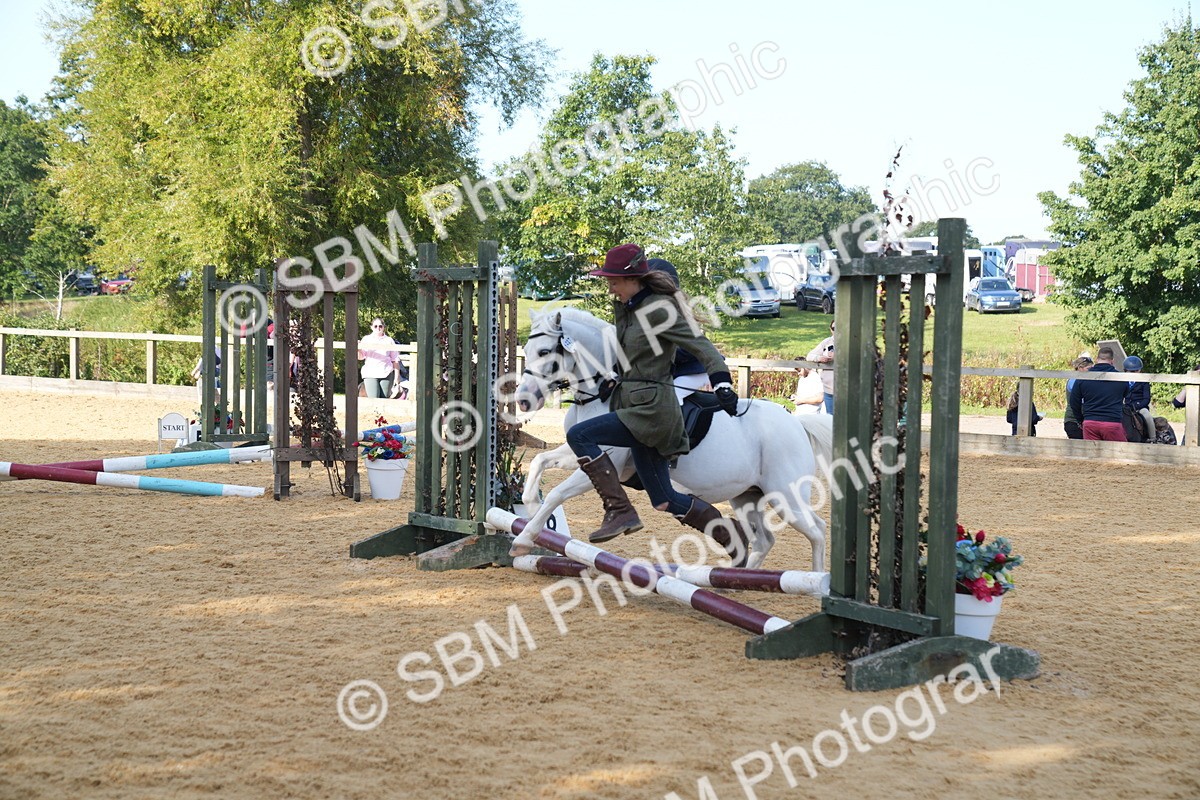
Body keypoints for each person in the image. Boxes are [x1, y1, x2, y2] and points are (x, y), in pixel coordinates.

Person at [557, 243, 749, 564]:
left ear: (633, 279)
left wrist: (722, 382)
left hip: (652, 412)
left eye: (614, 280)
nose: (610, 287)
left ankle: (618, 509)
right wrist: (611, 377)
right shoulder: (629, 309)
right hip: (635, 405)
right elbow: (631, 358)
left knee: (580, 435)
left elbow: (703, 348)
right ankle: (732, 535)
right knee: (665, 500)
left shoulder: (660, 309)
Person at [648, 258, 711, 401]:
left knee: (669, 401)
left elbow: (688, 351)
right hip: (678, 370)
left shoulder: (674, 314)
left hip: (695, 369)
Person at [1068, 346, 1129, 441]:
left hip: (1090, 423)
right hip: (1112, 422)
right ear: (1112, 360)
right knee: (1119, 454)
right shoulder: (1121, 378)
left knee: (1092, 455)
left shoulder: (1083, 378)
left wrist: (1081, 419)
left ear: (1096, 359)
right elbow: (1126, 396)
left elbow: (1074, 402)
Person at [358, 318, 404, 399]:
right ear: (371, 327)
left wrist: (397, 378)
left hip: (386, 372)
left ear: (383, 327)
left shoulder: (389, 340)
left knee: (384, 398)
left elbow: (395, 360)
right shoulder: (366, 339)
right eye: (375, 326)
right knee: (374, 398)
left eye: (380, 326)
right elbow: (360, 357)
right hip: (370, 373)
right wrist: (358, 349)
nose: (378, 328)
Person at [1121, 355, 1153, 443]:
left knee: (1147, 416)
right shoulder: (1121, 381)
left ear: (1139, 370)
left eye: (1136, 371)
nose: (1133, 373)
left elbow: (1146, 399)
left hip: (1139, 407)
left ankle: (1152, 437)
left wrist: (1136, 406)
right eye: (1130, 371)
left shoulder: (1144, 382)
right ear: (1125, 371)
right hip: (1124, 406)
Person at [806, 320, 835, 414]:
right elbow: (809, 356)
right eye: (834, 328)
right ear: (831, 330)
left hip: (847, 390)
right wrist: (820, 358)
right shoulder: (827, 342)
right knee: (830, 419)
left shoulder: (850, 341)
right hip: (829, 390)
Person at [1063, 355, 1094, 439]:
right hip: (1074, 421)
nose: (1091, 371)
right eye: (1089, 368)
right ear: (1080, 368)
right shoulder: (1074, 381)